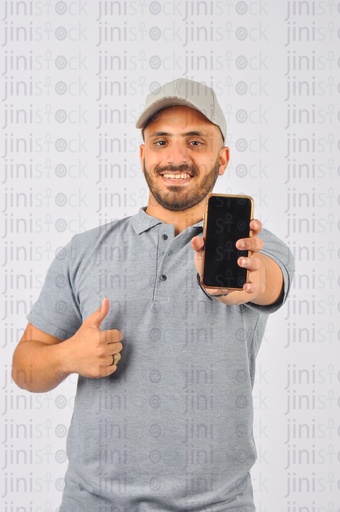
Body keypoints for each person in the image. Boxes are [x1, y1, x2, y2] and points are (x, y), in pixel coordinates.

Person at [12, 78, 294, 512]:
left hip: (218, 505)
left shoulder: (257, 247)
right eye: (161, 141)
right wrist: (67, 356)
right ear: (143, 154)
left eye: (195, 141)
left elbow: (262, 282)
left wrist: (239, 283)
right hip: (93, 503)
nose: (176, 157)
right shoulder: (84, 250)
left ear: (223, 157)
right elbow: (23, 366)